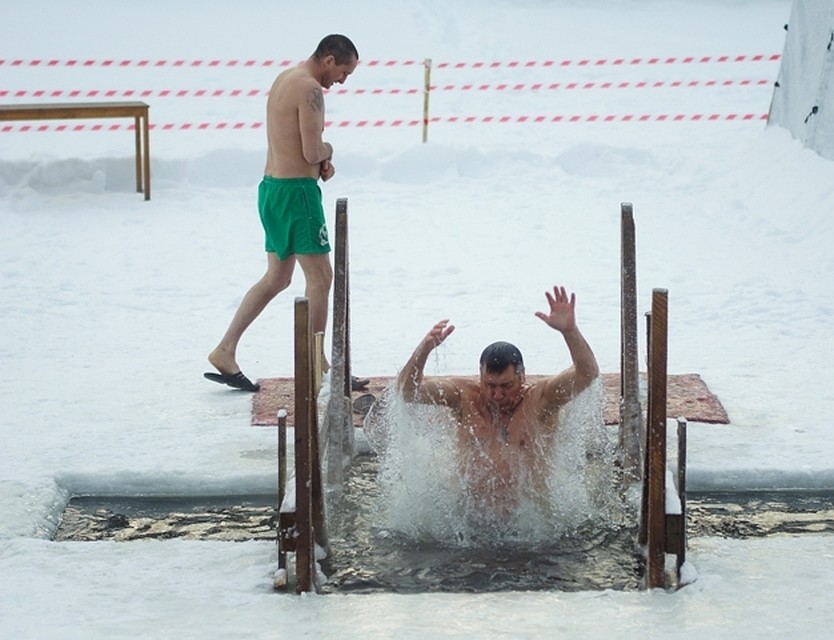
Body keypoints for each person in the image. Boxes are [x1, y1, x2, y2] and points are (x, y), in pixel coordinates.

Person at [205, 34, 368, 392]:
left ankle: (224, 349)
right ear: (328, 60)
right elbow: (311, 151)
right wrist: (328, 150)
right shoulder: (311, 89)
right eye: (343, 72)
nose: (341, 81)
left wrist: (318, 159)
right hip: (297, 195)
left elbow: (295, 146)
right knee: (321, 279)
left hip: (271, 188)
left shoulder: (285, 78)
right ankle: (318, 365)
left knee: (277, 278)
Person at [396, 286, 600, 515]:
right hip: (468, 523)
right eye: (490, 386)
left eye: (506, 386)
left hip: (530, 529)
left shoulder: (540, 401)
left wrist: (570, 332)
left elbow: (587, 374)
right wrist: (424, 350)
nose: (497, 395)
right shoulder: (463, 396)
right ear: (480, 376)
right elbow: (406, 392)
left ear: (522, 377)